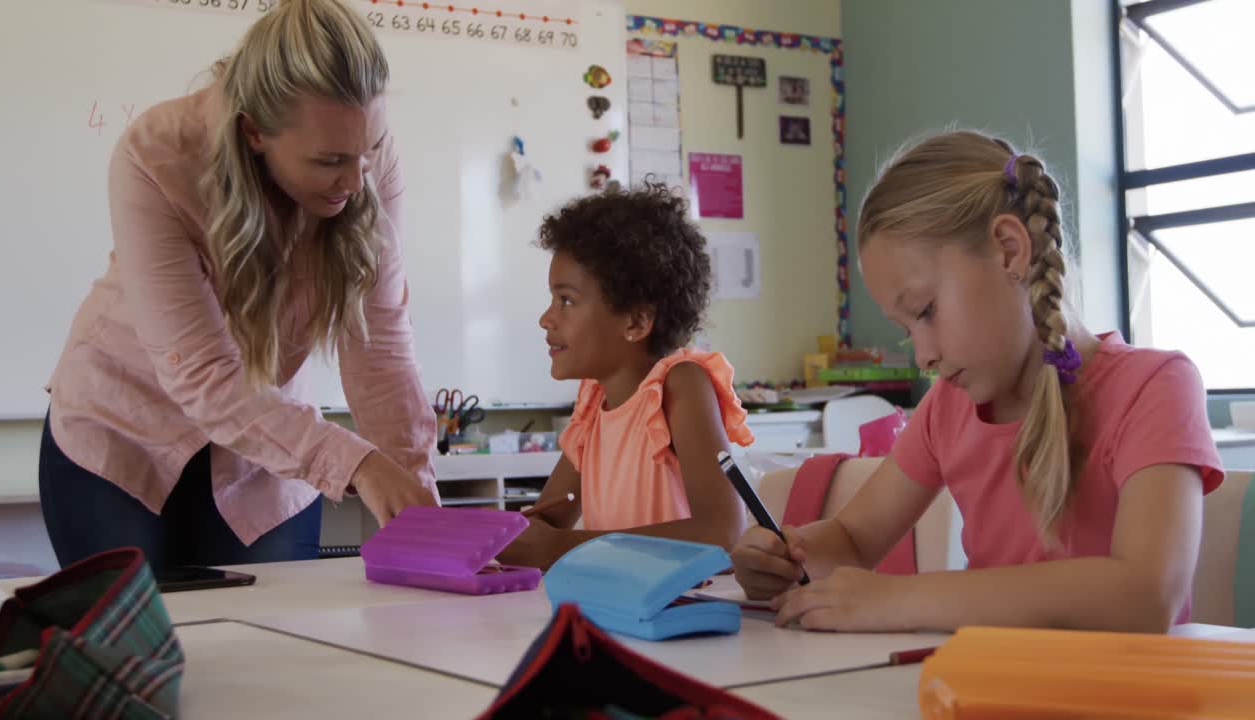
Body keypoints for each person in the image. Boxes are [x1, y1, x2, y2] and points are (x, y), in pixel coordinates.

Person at [731, 131, 1223, 633]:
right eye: (908, 332)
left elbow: (1146, 595)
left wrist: (902, 599)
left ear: (1010, 250)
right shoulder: (948, 408)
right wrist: (787, 557)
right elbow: (854, 540)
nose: (925, 355)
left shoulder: (1157, 386)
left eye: (926, 311)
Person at [39, 0, 437, 572]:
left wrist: (418, 499)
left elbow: (381, 347)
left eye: (367, 152)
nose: (355, 181)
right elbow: (203, 375)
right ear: (254, 133)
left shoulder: (365, 157)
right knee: (134, 647)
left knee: (276, 645)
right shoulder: (156, 155)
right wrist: (358, 464)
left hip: (269, 449)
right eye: (329, 161)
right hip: (123, 432)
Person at [498, 185, 753, 570]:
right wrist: (500, 533)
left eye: (565, 300)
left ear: (636, 322)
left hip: (684, 614)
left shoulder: (680, 385)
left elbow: (722, 533)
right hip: (616, 609)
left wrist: (557, 547)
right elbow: (550, 521)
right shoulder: (592, 405)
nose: (546, 319)